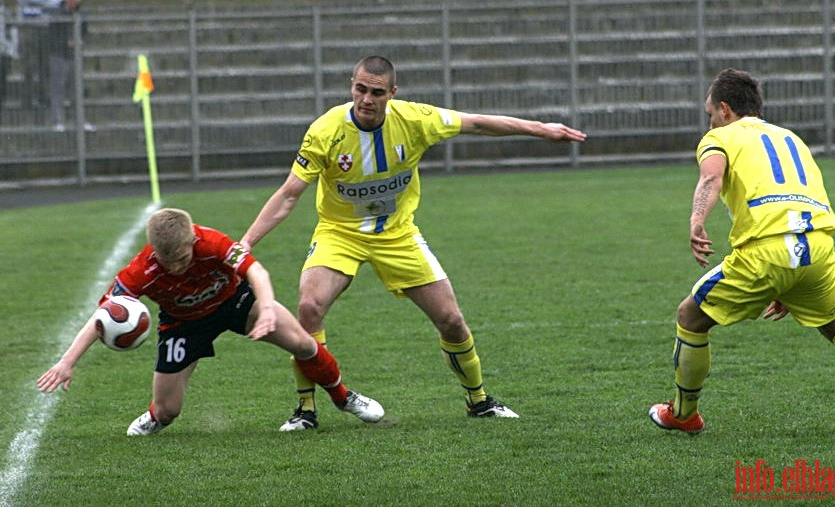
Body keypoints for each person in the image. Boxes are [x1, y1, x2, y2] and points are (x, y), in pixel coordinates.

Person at [241, 55, 587, 430]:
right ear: (350, 86)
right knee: (309, 307)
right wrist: (245, 243)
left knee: (451, 320)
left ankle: (479, 400)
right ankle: (305, 410)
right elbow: (289, 194)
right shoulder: (325, 131)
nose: (367, 99)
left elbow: (477, 123)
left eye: (376, 92)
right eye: (360, 89)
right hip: (339, 233)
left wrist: (541, 128)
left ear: (392, 93)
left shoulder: (415, 119)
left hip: (398, 233)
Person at [648, 68, 835, 434]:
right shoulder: (791, 138)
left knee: (691, 316)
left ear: (724, 109)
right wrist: (788, 280)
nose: (710, 122)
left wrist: (696, 220)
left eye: (710, 115)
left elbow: (711, 177)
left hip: (766, 249)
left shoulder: (719, 136)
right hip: (816, 245)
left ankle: (684, 415)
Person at [37, 207, 384, 435]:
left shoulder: (213, 242)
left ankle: (342, 397)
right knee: (168, 411)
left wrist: (265, 308)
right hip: (182, 323)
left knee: (303, 343)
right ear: (154, 251)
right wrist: (67, 362)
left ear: (192, 239)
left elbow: (256, 271)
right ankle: (156, 416)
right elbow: (104, 316)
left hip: (235, 302)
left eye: (183, 256)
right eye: (167, 260)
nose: (176, 266)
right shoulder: (141, 271)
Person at [14, 0, 62, 112]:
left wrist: (39, 1)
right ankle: (27, 99)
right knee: (28, 66)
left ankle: (44, 97)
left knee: (45, 65)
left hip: (45, 27)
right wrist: (45, 0)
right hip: (28, 29)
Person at [48, 0, 85, 130]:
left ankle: (78, 120)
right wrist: (66, 43)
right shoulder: (57, 15)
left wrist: (81, 41)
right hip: (59, 56)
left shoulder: (81, 15)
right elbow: (53, 36)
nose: (72, 1)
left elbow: (85, 33)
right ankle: (57, 120)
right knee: (58, 88)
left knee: (76, 88)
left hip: (74, 56)